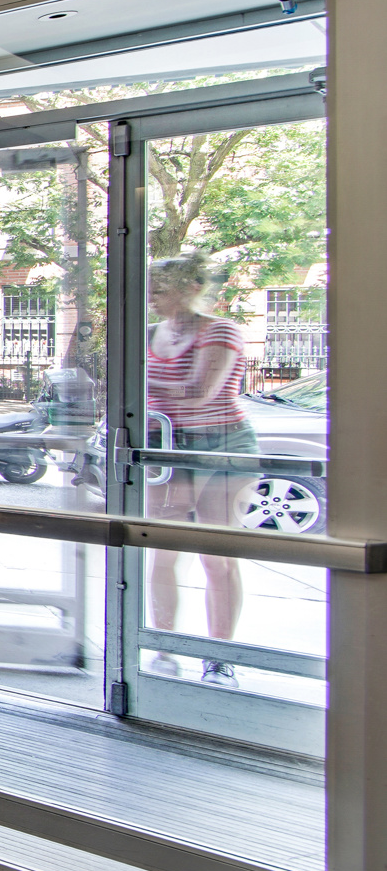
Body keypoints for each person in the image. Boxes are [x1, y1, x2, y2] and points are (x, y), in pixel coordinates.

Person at [142, 254, 253, 685]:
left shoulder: (220, 330)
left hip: (222, 447)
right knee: (162, 550)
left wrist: (136, 379)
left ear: (190, 288)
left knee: (216, 557)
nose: (150, 297)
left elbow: (200, 392)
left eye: (159, 289)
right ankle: (163, 647)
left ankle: (218, 656)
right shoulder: (151, 333)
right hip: (167, 446)